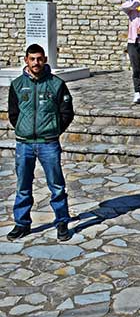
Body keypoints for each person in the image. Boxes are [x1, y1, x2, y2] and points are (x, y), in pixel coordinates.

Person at [7, 44, 74, 242]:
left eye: (39, 59)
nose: (36, 62)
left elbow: (66, 112)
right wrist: (24, 129)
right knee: (23, 185)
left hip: (48, 144)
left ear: (45, 59)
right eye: (32, 59)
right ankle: (22, 223)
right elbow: (13, 113)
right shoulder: (17, 85)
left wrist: (53, 130)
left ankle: (61, 222)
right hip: (24, 144)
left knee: (56, 185)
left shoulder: (56, 84)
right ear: (26, 60)